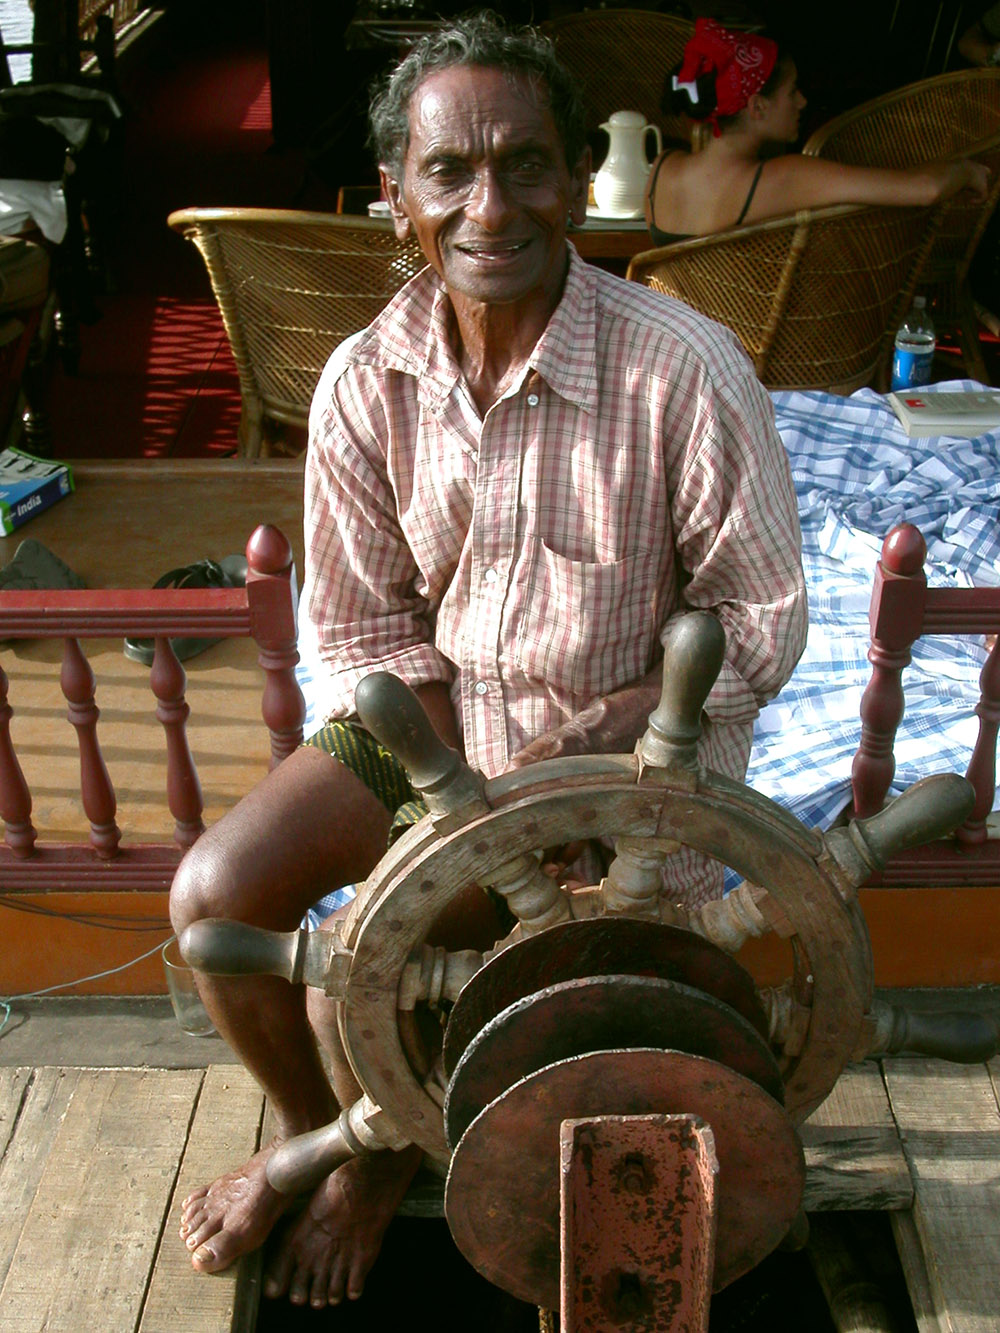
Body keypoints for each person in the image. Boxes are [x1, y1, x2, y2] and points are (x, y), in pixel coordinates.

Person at [170, 12, 807, 1312]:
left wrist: (606, 747)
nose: (490, 204)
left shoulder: (684, 370)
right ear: (394, 193)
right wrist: (446, 787)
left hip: (631, 764)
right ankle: (325, 1137)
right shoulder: (364, 382)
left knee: (372, 964)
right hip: (442, 732)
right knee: (215, 902)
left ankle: (377, 1154)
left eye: (524, 163)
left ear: (576, 176)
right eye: (449, 171)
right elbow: (357, 639)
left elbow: (763, 617)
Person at [645, 18, 991, 246]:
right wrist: (967, 169)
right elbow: (924, 189)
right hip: (756, 347)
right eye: (793, 91)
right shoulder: (781, 178)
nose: (803, 101)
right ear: (757, 107)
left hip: (676, 347)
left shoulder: (662, 168)